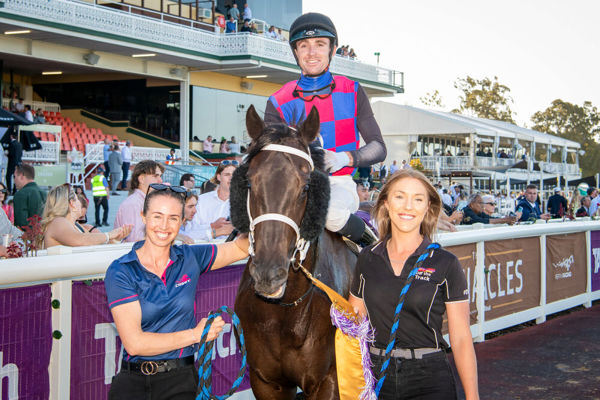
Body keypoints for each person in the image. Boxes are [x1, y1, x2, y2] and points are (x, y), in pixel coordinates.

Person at [104, 185, 250, 400]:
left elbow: (240, 248)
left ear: (183, 221)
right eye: (157, 216)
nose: (164, 226)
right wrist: (195, 335)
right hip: (132, 383)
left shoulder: (190, 257)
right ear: (143, 217)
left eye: (173, 218)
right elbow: (135, 344)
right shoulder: (121, 270)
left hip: (181, 381)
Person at [348, 169, 479, 400]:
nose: (408, 206)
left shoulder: (446, 263)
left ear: (427, 207)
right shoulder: (366, 258)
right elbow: (353, 326)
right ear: (386, 203)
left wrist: (472, 396)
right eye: (400, 196)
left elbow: (460, 337)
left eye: (418, 199)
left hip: (429, 378)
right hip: (377, 376)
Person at [264, 12, 386, 246]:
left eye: (320, 44)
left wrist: (345, 158)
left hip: (338, 185)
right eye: (304, 45)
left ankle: (373, 249)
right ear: (296, 52)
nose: (311, 53)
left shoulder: (352, 90)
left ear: (332, 49)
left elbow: (379, 147)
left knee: (329, 214)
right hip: (293, 188)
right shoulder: (279, 100)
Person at [41, 184, 131, 249]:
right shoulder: (58, 222)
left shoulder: (77, 226)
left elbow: (97, 245)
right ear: (72, 203)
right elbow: (79, 241)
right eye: (77, 198)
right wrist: (109, 235)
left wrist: (116, 238)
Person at [114, 160, 165, 242]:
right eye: (155, 176)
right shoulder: (133, 204)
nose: (160, 180)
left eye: (160, 176)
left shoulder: (145, 202)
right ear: (141, 179)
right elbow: (136, 239)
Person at [190, 161, 236, 240]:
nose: (231, 178)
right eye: (227, 174)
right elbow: (190, 231)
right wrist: (212, 226)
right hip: (205, 249)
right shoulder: (202, 200)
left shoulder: (244, 202)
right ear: (219, 177)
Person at [13, 164, 46, 229]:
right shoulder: (45, 193)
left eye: (15, 176)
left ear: (22, 176)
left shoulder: (20, 194)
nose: (14, 180)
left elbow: (21, 224)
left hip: (27, 236)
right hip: (44, 235)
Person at [6, 130, 23, 194]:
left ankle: (9, 190)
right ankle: (15, 190)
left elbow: (11, 154)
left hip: (12, 162)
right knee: (15, 177)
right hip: (18, 162)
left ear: (11, 136)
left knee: (8, 176)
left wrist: (7, 154)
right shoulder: (20, 144)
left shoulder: (11, 144)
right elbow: (21, 154)